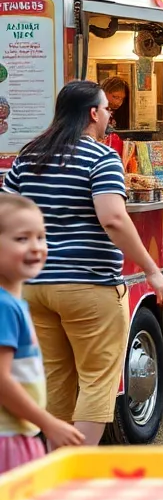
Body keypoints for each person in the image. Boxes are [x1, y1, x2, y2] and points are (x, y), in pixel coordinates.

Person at [4, 80, 163, 446]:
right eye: (107, 110)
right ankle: (77, 469)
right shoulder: (101, 157)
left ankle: (54, 468)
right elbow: (112, 217)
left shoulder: (28, 156)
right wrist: (151, 269)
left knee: (55, 381)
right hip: (89, 284)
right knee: (97, 379)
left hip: (34, 287)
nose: (111, 116)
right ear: (93, 113)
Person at [0, 196, 84, 470]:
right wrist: (47, 423)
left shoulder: (13, 303)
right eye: (22, 239)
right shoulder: (4, 307)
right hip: (8, 440)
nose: (36, 247)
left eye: (41, 236)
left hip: (19, 433)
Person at [98, 76, 130, 151]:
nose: (118, 102)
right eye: (115, 97)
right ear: (104, 92)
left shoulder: (112, 111)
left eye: (121, 99)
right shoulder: (96, 110)